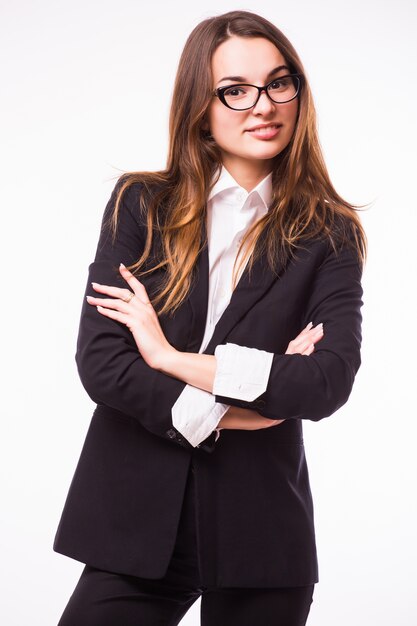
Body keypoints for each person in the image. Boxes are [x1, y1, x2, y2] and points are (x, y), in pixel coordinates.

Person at [53, 9, 366, 626]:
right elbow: (103, 364)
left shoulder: (330, 233)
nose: (264, 106)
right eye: (236, 90)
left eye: (281, 83)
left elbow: (326, 382)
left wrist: (168, 358)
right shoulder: (141, 204)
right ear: (201, 105)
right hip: (134, 527)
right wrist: (248, 404)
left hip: (261, 535)